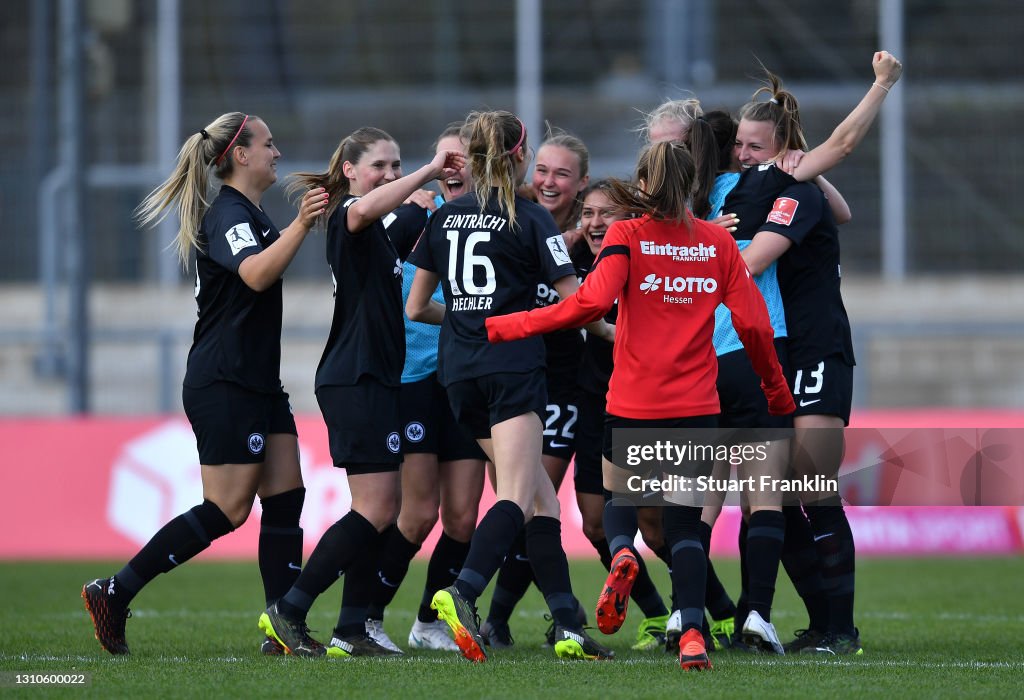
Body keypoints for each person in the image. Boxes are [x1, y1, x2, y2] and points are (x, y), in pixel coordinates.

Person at [486, 139, 795, 671]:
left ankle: (623, 550)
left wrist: (506, 326)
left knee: (620, 497)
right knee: (682, 527)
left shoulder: (628, 234)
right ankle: (693, 633)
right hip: (696, 403)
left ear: (645, 185)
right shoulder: (718, 244)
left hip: (633, 399)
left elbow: (588, 304)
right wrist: (775, 388)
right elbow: (753, 324)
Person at [82, 112, 328, 656]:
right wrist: (302, 225)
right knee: (229, 508)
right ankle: (115, 591)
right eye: (268, 144)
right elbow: (257, 274)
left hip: (257, 381)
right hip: (225, 380)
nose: (277, 153)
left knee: (287, 497)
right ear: (240, 154)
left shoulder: (252, 213)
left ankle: (281, 626)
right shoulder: (230, 214)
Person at [406, 110, 614, 663]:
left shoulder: (447, 216)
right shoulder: (528, 218)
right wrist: (622, 331)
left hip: (458, 374)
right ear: (519, 158)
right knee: (518, 496)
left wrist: (469, 318)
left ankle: (569, 626)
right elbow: (578, 304)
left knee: (542, 504)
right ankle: (462, 592)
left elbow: (416, 305)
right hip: (512, 369)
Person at [258, 127, 465, 658]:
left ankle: (351, 627)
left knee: (385, 506)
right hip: (356, 378)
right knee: (374, 508)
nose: (392, 175)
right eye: (381, 165)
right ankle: (290, 609)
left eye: (397, 166)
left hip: (376, 378)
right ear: (350, 170)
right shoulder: (346, 215)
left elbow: (408, 230)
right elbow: (369, 209)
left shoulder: (378, 232)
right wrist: (429, 169)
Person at [728, 50, 903, 656]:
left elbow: (845, 145)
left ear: (781, 146)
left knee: (813, 486)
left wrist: (879, 83)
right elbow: (845, 211)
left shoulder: (790, 190)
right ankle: (822, 623)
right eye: (739, 146)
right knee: (772, 496)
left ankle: (841, 628)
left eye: (754, 146)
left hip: (817, 347)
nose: (742, 155)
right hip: (779, 350)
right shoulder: (780, 184)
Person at [360, 123, 487, 654]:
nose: (454, 169)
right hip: (412, 379)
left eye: (466, 160)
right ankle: (365, 617)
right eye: (445, 159)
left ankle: (429, 620)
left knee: (462, 515)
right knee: (417, 514)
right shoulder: (408, 216)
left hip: (465, 375)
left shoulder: (494, 222)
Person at [479, 126, 594, 649]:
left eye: (562, 174)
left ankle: (504, 616)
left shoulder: (599, 234)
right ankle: (551, 617)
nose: (548, 182)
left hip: (561, 388)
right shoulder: (513, 217)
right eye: (542, 170)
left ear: (582, 182)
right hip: (504, 378)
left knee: (526, 500)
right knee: (519, 502)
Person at [571, 180, 673, 652]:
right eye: (587, 213)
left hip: (641, 405)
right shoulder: (573, 260)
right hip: (594, 405)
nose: (594, 223)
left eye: (604, 214)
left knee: (653, 527)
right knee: (596, 524)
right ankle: (658, 615)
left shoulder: (643, 259)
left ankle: (710, 614)